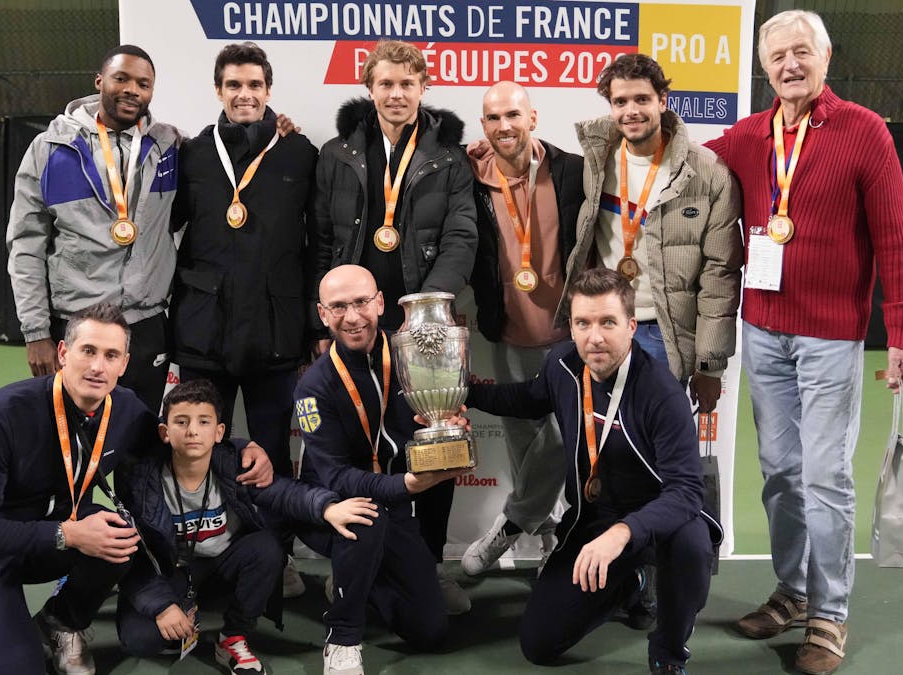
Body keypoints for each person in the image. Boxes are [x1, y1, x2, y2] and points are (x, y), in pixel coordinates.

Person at [704, 10, 903, 675]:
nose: (790, 65)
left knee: (825, 475)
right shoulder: (748, 136)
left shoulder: (864, 131)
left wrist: (902, 332)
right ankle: (793, 590)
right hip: (762, 330)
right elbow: (673, 161)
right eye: (777, 57)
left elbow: (896, 237)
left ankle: (829, 613)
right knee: (779, 471)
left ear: (826, 59)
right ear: (764, 69)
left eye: (801, 52)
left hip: (831, 337)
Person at [0, 303, 273, 675]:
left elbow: (177, 443)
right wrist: (69, 534)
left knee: (118, 535)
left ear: (124, 364)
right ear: (63, 353)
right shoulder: (4, 413)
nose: (97, 367)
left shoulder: (124, 409)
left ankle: (60, 622)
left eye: (110, 355)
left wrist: (241, 448)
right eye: (88, 351)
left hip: (51, 531)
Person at [466, 269, 721, 675]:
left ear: (631, 326)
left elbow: (686, 493)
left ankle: (668, 653)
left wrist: (623, 532)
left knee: (693, 544)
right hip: (595, 518)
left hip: (661, 519)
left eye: (607, 322)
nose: (595, 337)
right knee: (539, 643)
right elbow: (527, 398)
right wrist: (463, 392)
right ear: (571, 327)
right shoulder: (563, 366)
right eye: (583, 323)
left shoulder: (661, 393)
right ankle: (630, 585)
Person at [312, 39, 478, 612]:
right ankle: (353, 564)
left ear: (423, 88)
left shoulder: (450, 157)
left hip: (419, 328)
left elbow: (461, 236)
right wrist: (326, 319)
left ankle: (428, 565)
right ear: (369, 88)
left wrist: (427, 306)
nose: (397, 94)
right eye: (386, 83)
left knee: (433, 441)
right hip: (353, 323)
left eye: (408, 83)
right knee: (352, 446)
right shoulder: (336, 154)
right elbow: (321, 239)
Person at [169, 41, 320, 596]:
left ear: (268, 90)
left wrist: (314, 326)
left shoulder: (299, 153)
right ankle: (195, 556)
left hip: (275, 330)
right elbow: (165, 227)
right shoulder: (191, 154)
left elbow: (317, 244)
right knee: (195, 448)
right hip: (203, 329)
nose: (244, 94)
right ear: (218, 90)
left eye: (254, 85)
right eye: (233, 85)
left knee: (273, 452)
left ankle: (277, 557)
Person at [114, 379, 378, 673]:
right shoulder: (142, 481)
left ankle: (232, 636)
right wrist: (162, 606)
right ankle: (185, 616)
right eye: (181, 421)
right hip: (171, 572)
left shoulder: (233, 464)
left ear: (219, 432)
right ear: (164, 432)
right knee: (141, 639)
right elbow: (133, 556)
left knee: (267, 548)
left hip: (223, 567)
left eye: (203, 421)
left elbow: (284, 493)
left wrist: (328, 508)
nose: (192, 431)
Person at [293, 264, 467, 675]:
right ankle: (342, 635)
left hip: (394, 504)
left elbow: (432, 426)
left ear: (381, 303)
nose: (352, 317)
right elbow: (337, 477)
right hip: (334, 506)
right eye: (338, 307)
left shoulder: (411, 354)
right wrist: (405, 485)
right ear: (323, 314)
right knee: (364, 514)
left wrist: (448, 426)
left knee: (430, 631)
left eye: (361, 302)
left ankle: (360, 579)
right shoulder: (313, 387)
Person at [6, 45, 182, 414]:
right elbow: (26, 247)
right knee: (69, 439)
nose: (132, 90)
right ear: (100, 81)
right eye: (122, 79)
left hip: (145, 326)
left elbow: (225, 153)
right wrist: (36, 333)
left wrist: (276, 129)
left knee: (138, 438)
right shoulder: (50, 149)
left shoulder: (169, 145)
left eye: (143, 84)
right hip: (76, 324)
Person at [562, 53, 742, 412]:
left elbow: (719, 275)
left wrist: (710, 365)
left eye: (642, 99)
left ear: (662, 100)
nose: (631, 111)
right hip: (604, 325)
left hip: (665, 334)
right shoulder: (597, 162)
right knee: (604, 435)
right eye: (621, 101)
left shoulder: (707, 173)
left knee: (660, 439)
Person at [460, 81, 584, 574]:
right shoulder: (468, 177)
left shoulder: (572, 171)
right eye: (493, 118)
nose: (504, 125)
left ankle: (513, 524)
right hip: (508, 335)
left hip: (570, 337)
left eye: (513, 114)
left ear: (532, 118)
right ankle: (551, 540)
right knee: (524, 446)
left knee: (562, 440)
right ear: (483, 125)